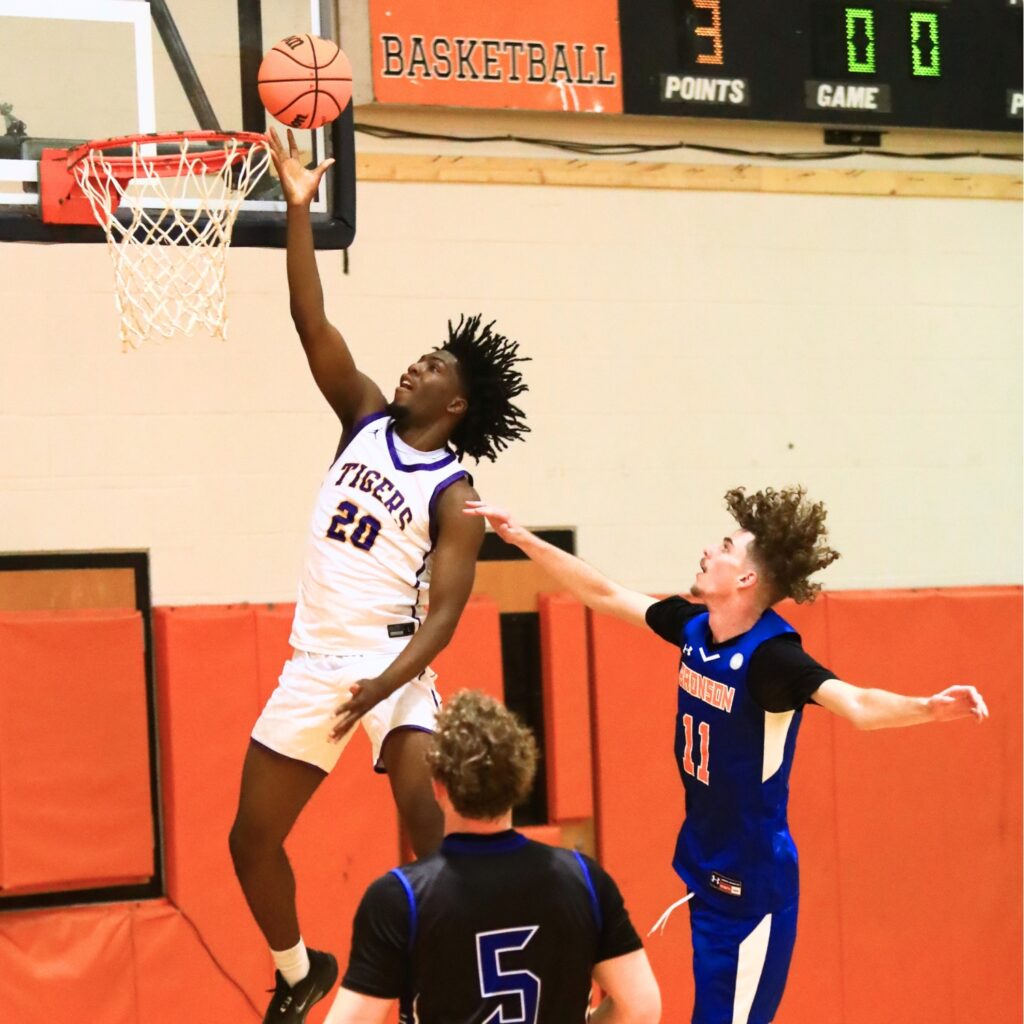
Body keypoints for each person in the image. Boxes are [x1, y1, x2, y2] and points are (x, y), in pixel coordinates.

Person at [465, 486, 988, 1024]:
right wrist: (520, 537)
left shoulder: (773, 659)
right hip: (704, 869)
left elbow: (855, 703)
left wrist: (928, 707)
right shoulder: (694, 629)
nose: (708, 553)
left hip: (752, 890)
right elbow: (605, 594)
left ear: (745, 579)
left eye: (724, 548)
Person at [228, 128, 530, 1024]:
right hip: (314, 662)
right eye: (418, 357)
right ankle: (298, 973)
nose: (412, 364)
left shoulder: (456, 491)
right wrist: (292, 206)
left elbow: (444, 619)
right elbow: (310, 321)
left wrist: (385, 688)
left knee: (422, 810)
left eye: (432, 365)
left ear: (457, 404)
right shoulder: (361, 415)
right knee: (250, 842)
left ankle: (438, 978)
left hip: (393, 663)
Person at [323, 689, 661, 1024]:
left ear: (438, 785)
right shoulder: (584, 880)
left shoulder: (401, 896)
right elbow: (640, 1008)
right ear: (521, 778)